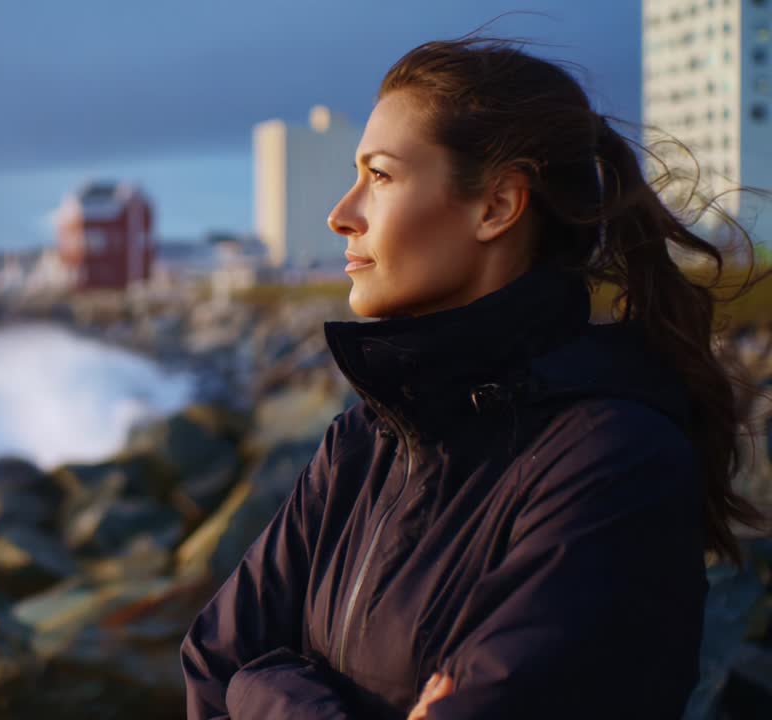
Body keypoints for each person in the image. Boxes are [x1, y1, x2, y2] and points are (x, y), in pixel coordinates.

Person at [180, 37, 768, 720]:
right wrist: (263, 686)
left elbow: (238, 681)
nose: (342, 213)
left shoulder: (614, 462)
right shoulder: (365, 444)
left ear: (496, 207)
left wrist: (264, 689)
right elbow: (211, 667)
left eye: (381, 175)